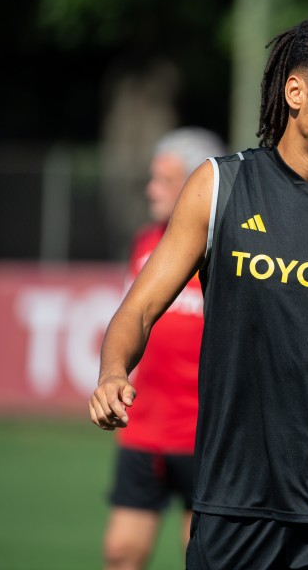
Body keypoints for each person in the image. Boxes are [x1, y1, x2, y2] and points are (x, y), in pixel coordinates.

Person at [89, 16, 308, 569]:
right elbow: (138, 309)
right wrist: (114, 371)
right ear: (295, 91)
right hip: (234, 502)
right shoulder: (220, 186)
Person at [101, 127, 224, 570]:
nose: (151, 189)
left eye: (164, 180)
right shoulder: (146, 243)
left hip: (203, 436)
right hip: (143, 429)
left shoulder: (228, 246)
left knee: (202, 555)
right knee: (120, 553)